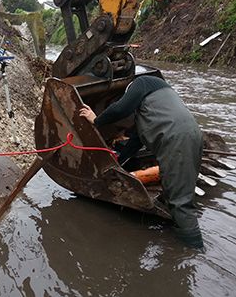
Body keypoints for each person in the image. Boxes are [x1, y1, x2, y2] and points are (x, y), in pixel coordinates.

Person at [79, 75, 204, 248]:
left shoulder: (142, 82)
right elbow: (135, 143)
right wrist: (118, 164)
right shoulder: (156, 104)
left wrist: (96, 120)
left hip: (176, 140)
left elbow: (119, 109)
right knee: (177, 189)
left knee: (180, 202)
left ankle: (194, 251)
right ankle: (178, 238)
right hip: (191, 135)